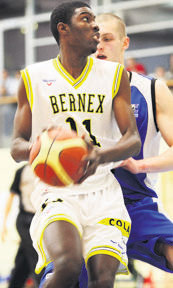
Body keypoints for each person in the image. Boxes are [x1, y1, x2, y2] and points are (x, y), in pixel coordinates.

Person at [10, 1, 141, 288]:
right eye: (86, 19)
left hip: (104, 193)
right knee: (68, 266)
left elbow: (132, 140)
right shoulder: (33, 77)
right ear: (63, 29)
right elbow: (16, 145)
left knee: (103, 279)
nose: (96, 25)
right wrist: (39, 148)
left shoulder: (115, 76)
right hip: (57, 190)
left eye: (96, 20)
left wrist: (100, 155)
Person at [95, 13, 173, 273]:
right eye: (94, 40)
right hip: (89, 203)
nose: (99, 46)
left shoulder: (152, 89)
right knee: (69, 274)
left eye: (107, 39)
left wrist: (141, 166)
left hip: (137, 202)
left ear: (124, 42)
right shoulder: (72, 93)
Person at [1, 164, 43, 288]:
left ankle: (14, 284)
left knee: (23, 260)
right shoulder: (21, 171)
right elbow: (11, 197)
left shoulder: (45, 168)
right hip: (25, 220)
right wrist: (4, 224)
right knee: (36, 258)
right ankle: (41, 284)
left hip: (40, 218)